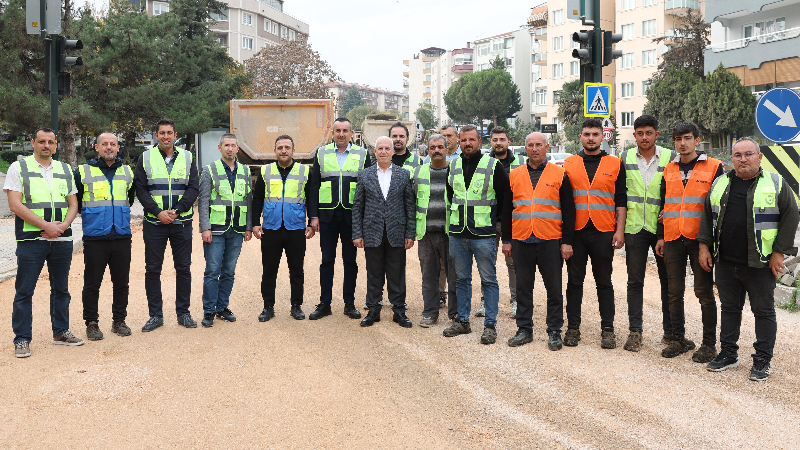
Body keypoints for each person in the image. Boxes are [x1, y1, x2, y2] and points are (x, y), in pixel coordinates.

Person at [697, 138, 799, 381]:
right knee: (730, 308)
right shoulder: (720, 183)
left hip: (760, 263)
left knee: (763, 311)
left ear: (759, 156)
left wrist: (779, 252)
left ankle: (762, 359)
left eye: (749, 154)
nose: (743, 159)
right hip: (725, 261)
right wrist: (704, 246)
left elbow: (791, 214)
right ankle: (728, 353)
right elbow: (706, 214)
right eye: (738, 155)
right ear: (732, 158)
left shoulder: (774, 183)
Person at [5, 127, 82, 358]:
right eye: (41, 141)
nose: (46, 145)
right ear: (32, 143)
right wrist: (46, 226)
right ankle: (22, 339)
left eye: (50, 142)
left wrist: (62, 227)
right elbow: (15, 205)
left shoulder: (65, 168)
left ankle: (60, 332)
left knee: (61, 289)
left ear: (56, 144)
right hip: (32, 239)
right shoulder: (18, 167)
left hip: (62, 239)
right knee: (24, 291)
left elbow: (73, 203)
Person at [655, 122, 724, 362]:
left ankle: (708, 344)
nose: (682, 143)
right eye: (677, 139)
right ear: (673, 141)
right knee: (674, 292)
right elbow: (664, 205)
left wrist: (710, 243)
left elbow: (718, 206)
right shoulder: (668, 169)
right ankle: (678, 339)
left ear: (697, 139)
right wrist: (661, 235)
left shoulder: (715, 167)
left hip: (699, 240)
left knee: (703, 292)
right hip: (673, 237)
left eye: (687, 138)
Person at [502, 132, 575, 350]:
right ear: (525, 148)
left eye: (539, 145)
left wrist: (567, 242)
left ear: (547, 147)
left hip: (550, 240)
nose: (535, 149)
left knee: (554, 289)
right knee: (524, 287)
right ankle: (524, 329)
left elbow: (569, 212)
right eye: (531, 145)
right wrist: (507, 240)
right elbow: (506, 211)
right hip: (522, 240)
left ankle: (554, 331)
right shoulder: (514, 175)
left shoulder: (559, 174)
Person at [562, 118, 627, 349]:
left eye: (595, 134)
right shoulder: (568, 163)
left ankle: (607, 329)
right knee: (574, 282)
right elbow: (563, 202)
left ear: (602, 137)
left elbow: (620, 200)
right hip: (576, 232)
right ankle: (572, 328)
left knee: (604, 283)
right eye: (586, 134)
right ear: (580, 137)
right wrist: (565, 239)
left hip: (603, 231)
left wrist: (619, 231)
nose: (591, 138)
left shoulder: (614, 163)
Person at [442, 125, 509, 345]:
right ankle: (463, 321)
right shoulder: (452, 166)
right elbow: (451, 197)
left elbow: (504, 200)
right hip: (458, 233)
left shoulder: (493, 165)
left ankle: (490, 325)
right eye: (463, 140)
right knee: (462, 279)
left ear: (480, 141)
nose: (467, 144)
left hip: (484, 233)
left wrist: (492, 220)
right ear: (458, 142)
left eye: (472, 140)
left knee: (488, 280)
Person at [135, 118, 200, 332]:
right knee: (153, 270)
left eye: (169, 132)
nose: (165, 136)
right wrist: (158, 212)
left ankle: (184, 313)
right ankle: (155, 315)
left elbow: (193, 187)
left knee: (183, 269)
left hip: (182, 222)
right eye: (161, 132)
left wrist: (178, 210)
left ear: (175, 135)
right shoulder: (145, 157)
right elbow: (141, 189)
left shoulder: (188, 157)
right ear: (156, 135)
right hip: (155, 223)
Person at [619, 115, 675, 352]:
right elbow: (620, 194)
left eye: (648, 133)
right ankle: (635, 332)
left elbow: (675, 190)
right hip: (634, 228)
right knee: (635, 281)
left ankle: (671, 332)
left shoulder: (670, 157)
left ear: (656, 134)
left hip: (662, 229)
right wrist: (619, 229)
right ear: (634, 135)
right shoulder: (625, 157)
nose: (644, 137)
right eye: (640, 133)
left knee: (667, 281)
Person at [307, 117, 371, 320]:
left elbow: (368, 187)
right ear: (332, 133)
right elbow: (314, 186)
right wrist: (313, 216)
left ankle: (349, 303)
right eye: (338, 130)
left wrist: (364, 218)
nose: (341, 134)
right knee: (327, 260)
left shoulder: (362, 154)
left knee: (350, 261)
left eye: (345, 130)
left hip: (353, 216)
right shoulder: (322, 152)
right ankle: (325, 303)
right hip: (327, 216)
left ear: (352, 133)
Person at [74, 132, 136, 340]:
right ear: (96, 147)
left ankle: (119, 320)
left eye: (113, 144)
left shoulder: (127, 171)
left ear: (118, 148)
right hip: (95, 237)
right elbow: (77, 203)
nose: (109, 147)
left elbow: (130, 198)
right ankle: (91, 323)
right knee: (92, 283)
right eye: (105, 144)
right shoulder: (82, 172)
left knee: (121, 283)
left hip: (121, 236)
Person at [352, 136, 416, 327]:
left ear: (392, 151)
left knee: (397, 274)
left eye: (387, 148)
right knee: (374, 274)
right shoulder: (365, 175)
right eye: (380, 148)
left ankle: (399, 311)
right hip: (372, 232)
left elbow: (409, 206)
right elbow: (358, 206)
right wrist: (357, 233)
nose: (383, 152)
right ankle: (373, 310)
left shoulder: (403, 175)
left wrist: (410, 233)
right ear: (374, 151)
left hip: (396, 232)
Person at [252, 134, 315, 322]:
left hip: (295, 229)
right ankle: (268, 307)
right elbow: (257, 199)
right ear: (275, 151)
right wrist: (256, 223)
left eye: (287, 147)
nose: (284, 151)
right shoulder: (266, 171)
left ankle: (296, 306)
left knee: (296, 270)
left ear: (293, 151)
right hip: (271, 228)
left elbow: (311, 199)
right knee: (269, 270)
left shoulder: (305, 171)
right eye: (280, 148)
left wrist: (312, 223)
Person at [197, 133, 252, 328]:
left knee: (229, 271)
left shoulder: (245, 171)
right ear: (220, 148)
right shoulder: (209, 170)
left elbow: (248, 201)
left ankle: (222, 307)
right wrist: (205, 227)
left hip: (237, 229)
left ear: (238, 149)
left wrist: (248, 227)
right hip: (216, 230)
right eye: (226, 145)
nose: (230, 148)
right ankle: (209, 310)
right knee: (212, 271)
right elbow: (203, 200)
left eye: (233, 145)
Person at [477, 126, 526, 319]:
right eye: (495, 139)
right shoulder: (483, 163)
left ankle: (515, 301)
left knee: (513, 264)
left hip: (512, 221)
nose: (499, 143)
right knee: (486, 263)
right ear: (491, 142)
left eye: (502, 139)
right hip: (487, 220)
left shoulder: (520, 163)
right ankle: (485, 300)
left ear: (509, 142)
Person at [412, 134, 457, 327]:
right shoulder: (419, 172)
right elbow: (412, 201)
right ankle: (430, 313)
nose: (436, 150)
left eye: (440, 147)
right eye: (432, 147)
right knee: (428, 276)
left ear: (447, 149)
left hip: (451, 233)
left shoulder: (456, 171)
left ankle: (455, 314)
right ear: (427, 151)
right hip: (426, 233)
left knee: (455, 276)